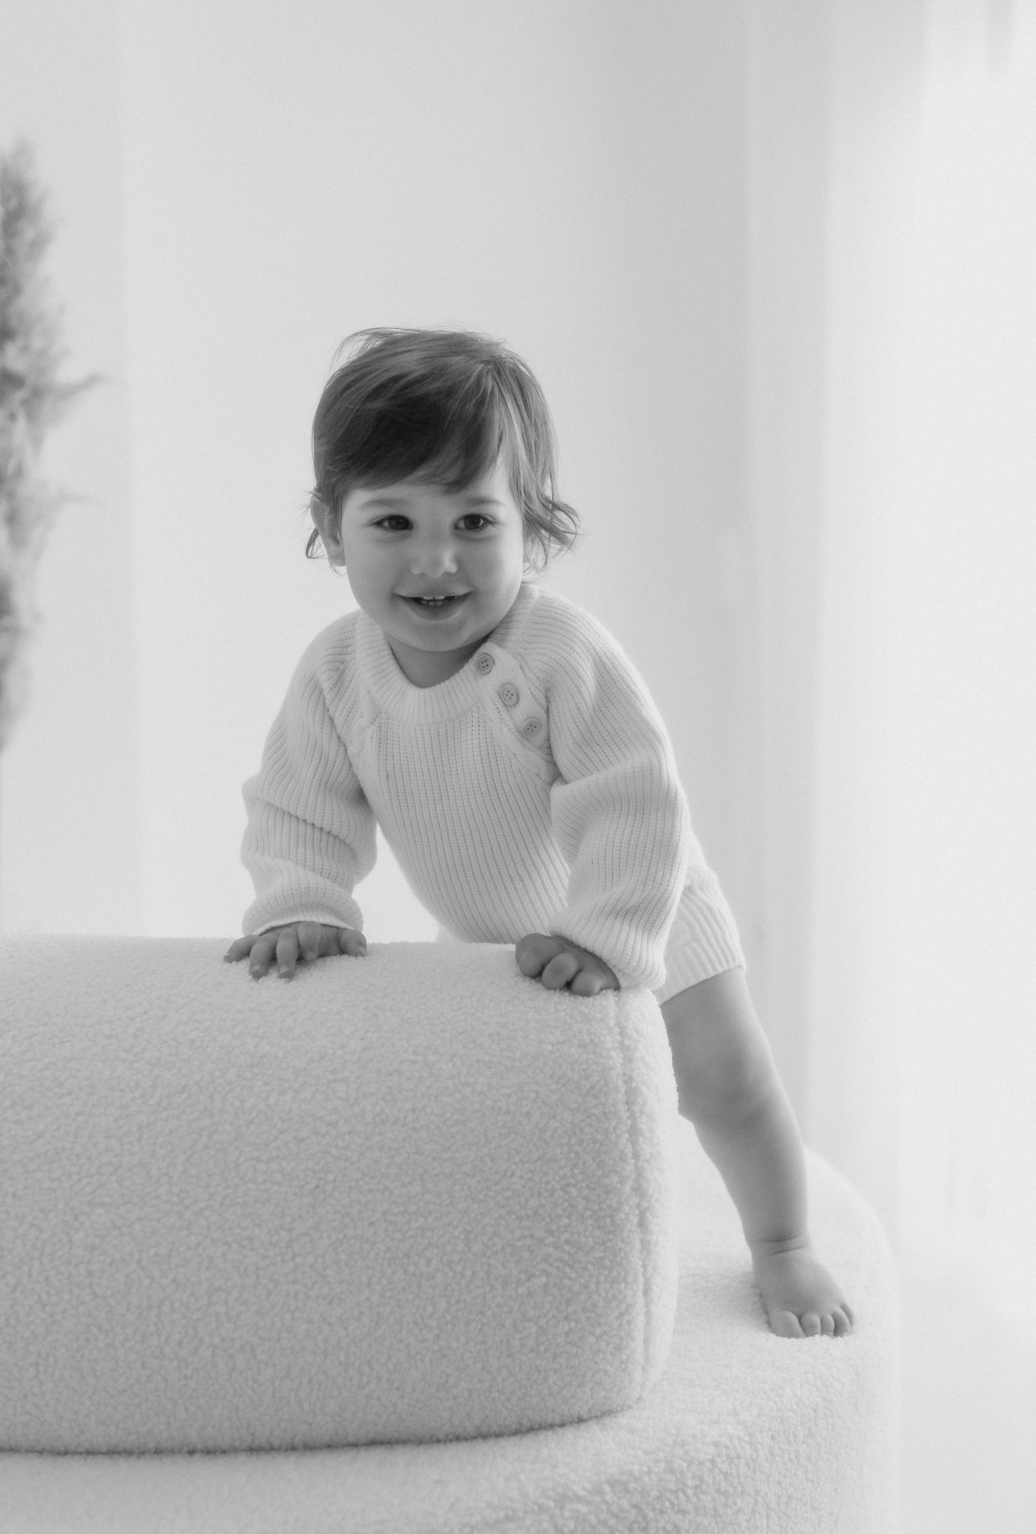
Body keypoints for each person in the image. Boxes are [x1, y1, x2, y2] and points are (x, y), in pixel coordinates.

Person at [225, 326, 853, 1340]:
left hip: (641, 903)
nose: (437, 559)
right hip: (491, 936)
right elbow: (299, 803)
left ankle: (784, 1239)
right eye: (394, 521)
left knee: (725, 1081)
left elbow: (634, 795)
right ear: (332, 531)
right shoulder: (336, 673)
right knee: (517, 1112)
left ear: (535, 531)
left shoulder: (558, 650)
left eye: (476, 520)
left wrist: (607, 935)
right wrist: (302, 901)